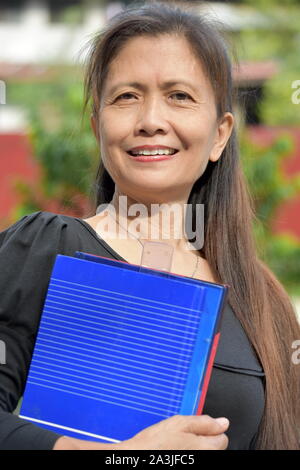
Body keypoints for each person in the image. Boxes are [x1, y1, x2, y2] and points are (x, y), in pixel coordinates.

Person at [0, 1, 299, 450]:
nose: (151, 122)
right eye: (127, 96)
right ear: (98, 126)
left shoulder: (263, 301)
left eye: (179, 96)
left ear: (220, 134)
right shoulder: (44, 247)